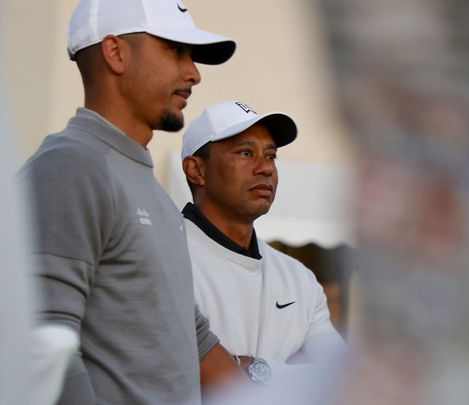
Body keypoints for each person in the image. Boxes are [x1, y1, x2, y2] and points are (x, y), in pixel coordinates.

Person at [18, 0, 242, 403]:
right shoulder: (70, 166)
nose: (193, 73)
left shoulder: (144, 184)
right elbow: (37, 337)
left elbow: (190, 336)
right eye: (175, 50)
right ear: (115, 52)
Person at [180, 100, 347, 383]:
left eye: (271, 156)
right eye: (246, 153)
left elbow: (340, 382)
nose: (265, 168)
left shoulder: (298, 278)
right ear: (196, 170)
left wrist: (258, 369)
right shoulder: (163, 257)